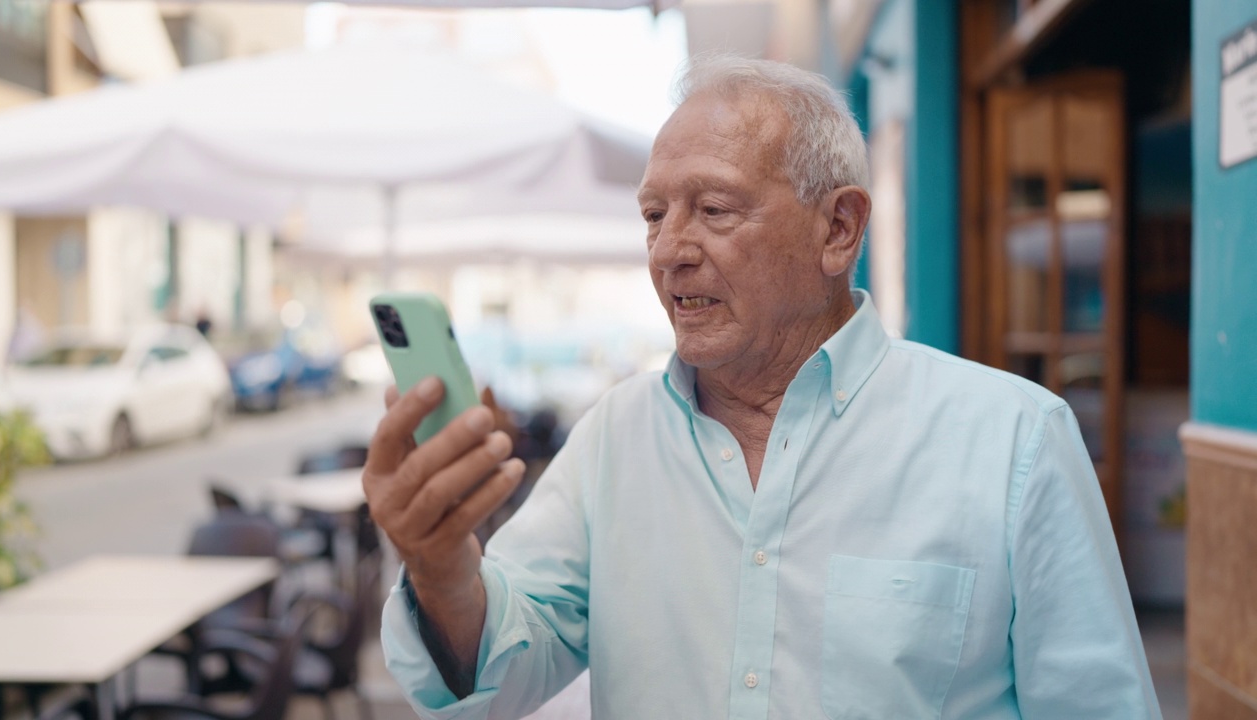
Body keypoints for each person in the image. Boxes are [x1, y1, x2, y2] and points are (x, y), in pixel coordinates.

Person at [362, 55, 1162, 719]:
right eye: (652, 216)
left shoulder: (1012, 438)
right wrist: (439, 568)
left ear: (839, 230)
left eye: (713, 209)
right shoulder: (617, 436)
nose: (670, 250)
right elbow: (505, 669)